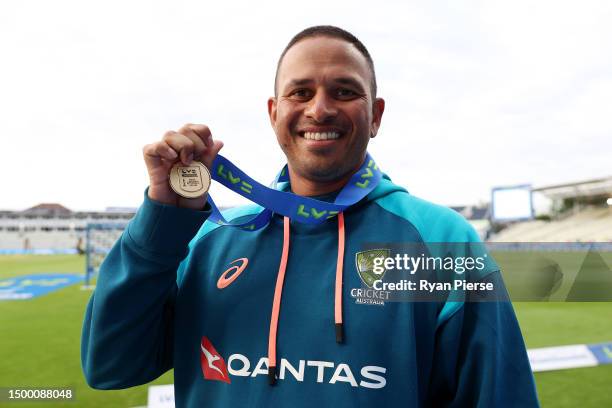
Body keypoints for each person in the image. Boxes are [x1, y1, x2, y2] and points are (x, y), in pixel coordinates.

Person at [81, 25, 539, 407]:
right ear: (274, 112)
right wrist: (161, 223)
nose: (319, 108)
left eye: (344, 91)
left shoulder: (440, 241)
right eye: (300, 92)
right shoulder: (209, 240)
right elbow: (110, 366)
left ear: (375, 115)